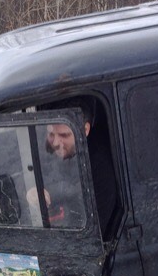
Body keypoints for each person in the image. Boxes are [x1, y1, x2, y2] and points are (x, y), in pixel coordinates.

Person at [29, 97, 118, 236]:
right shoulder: (47, 143)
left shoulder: (99, 167)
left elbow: (93, 232)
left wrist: (53, 191)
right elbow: (26, 168)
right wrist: (30, 192)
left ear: (84, 130)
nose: (56, 142)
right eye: (51, 133)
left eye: (64, 135)